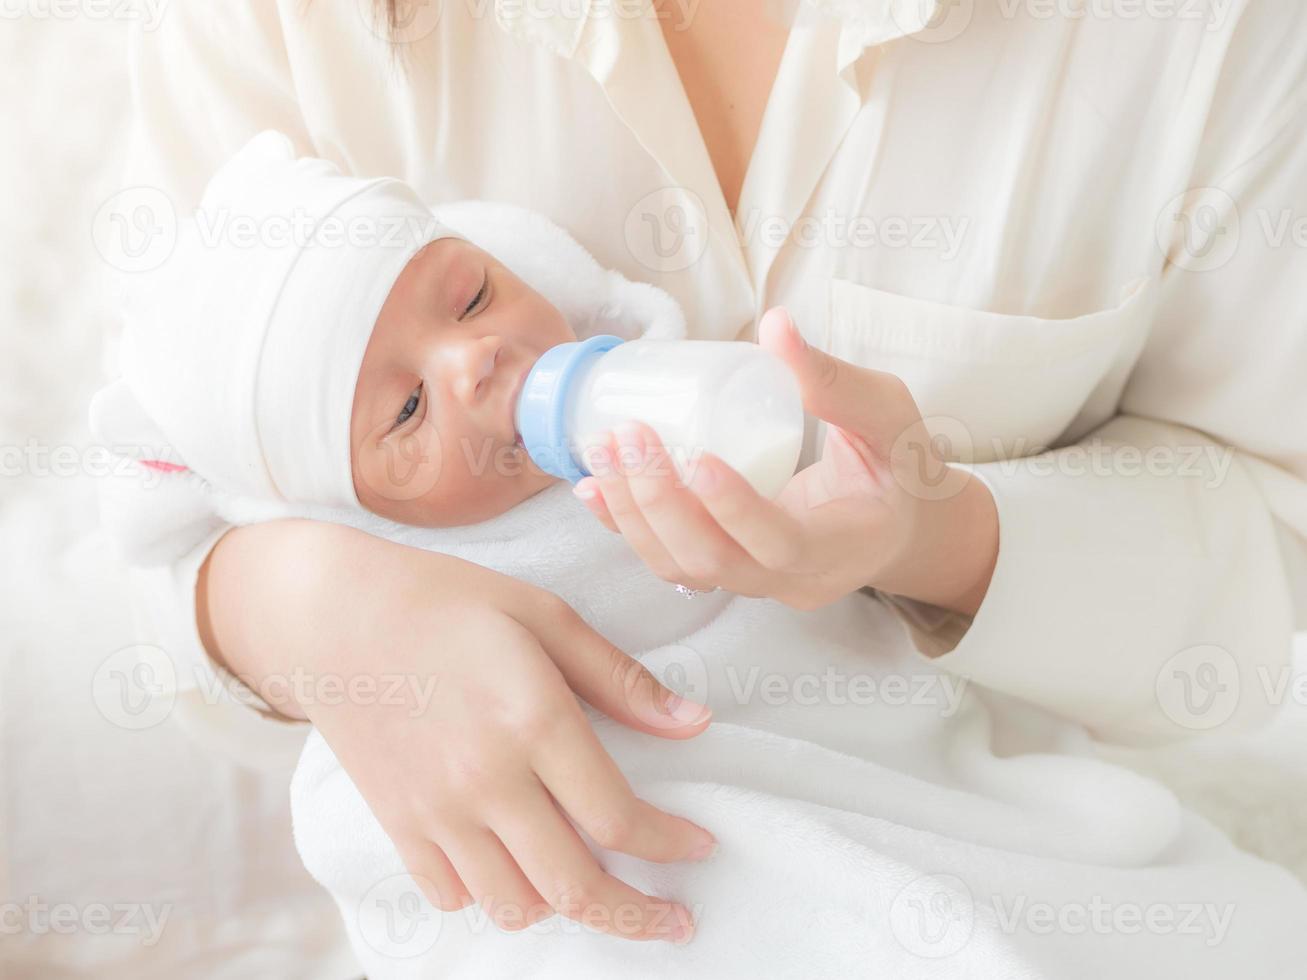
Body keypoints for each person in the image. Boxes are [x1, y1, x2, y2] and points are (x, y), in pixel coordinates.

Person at [106, 0, 1307, 949]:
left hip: (965, 795)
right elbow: (153, 508)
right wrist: (300, 603)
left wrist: (935, 533)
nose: (477, 362)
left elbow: (1268, 555)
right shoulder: (276, 26)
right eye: (408, 404)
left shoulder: (1198, 38)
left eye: (471, 294)